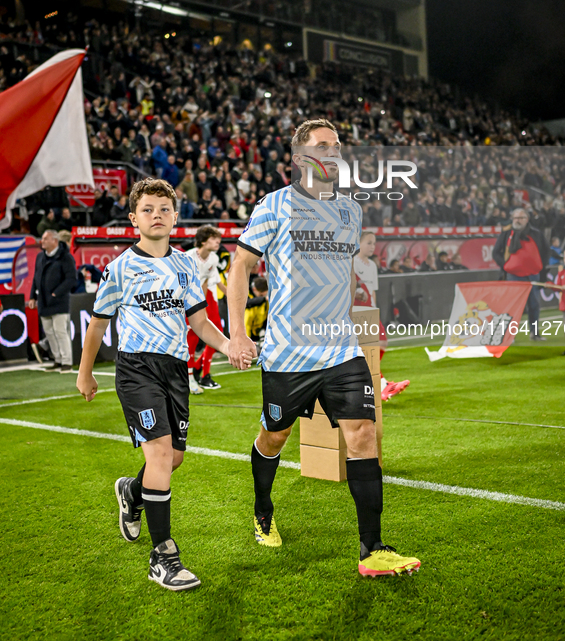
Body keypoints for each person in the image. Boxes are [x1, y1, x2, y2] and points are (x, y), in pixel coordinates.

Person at [227, 118, 420, 578]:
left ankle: (371, 549)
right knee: (275, 436)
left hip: (341, 350)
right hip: (287, 356)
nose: (332, 153)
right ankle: (262, 510)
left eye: (336, 146)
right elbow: (239, 269)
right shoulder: (273, 207)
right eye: (322, 146)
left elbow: (346, 275)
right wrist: (237, 333)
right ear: (298, 158)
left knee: (364, 436)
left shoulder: (351, 211)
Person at [76, 178, 250, 591]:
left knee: (172, 460)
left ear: (175, 217)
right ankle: (163, 558)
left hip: (175, 370)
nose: (157, 215)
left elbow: (200, 323)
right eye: (148, 209)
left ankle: (132, 493)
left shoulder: (186, 265)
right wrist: (84, 372)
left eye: (164, 209)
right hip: (136, 370)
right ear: (134, 218)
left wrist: (230, 347)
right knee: (158, 456)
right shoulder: (119, 268)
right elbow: (98, 324)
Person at [354, 231, 410, 402]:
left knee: (380, 343)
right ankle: (381, 385)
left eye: (374, 243)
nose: (372, 246)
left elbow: (373, 290)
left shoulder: (372, 265)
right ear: (359, 244)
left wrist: (374, 308)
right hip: (357, 309)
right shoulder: (352, 263)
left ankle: (379, 383)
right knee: (369, 347)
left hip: (369, 308)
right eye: (368, 243)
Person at [492, 207, 549, 340]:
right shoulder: (506, 234)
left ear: (527, 219)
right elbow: (496, 253)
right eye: (515, 218)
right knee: (513, 306)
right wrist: (505, 266)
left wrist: (540, 266)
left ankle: (534, 333)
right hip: (514, 275)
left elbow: (546, 251)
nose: (517, 220)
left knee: (534, 304)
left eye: (521, 218)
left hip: (533, 275)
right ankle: (509, 336)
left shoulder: (536, 234)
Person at [28, 229, 77, 372]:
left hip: (59, 302)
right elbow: (36, 278)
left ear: (54, 241)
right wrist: (33, 296)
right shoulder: (40, 257)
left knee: (60, 332)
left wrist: (57, 293)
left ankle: (67, 361)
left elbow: (71, 279)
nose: (41, 241)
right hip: (44, 302)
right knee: (49, 332)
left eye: (45, 239)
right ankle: (57, 359)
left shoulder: (66, 257)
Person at [185, 226, 226, 390]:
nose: (218, 241)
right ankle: (190, 377)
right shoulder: (188, 257)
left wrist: (200, 306)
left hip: (201, 297)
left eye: (219, 238)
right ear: (203, 240)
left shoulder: (213, 259)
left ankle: (198, 370)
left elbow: (205, 282)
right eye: (213, 238)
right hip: (185, 299)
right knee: (191, 338)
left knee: (214, 333)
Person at [244, 277, 269, 349]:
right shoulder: (245, 292)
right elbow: (247, 303)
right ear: (254, 289)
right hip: (247, 330)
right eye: (261, 295)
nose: (263, 297)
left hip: (260, 328)